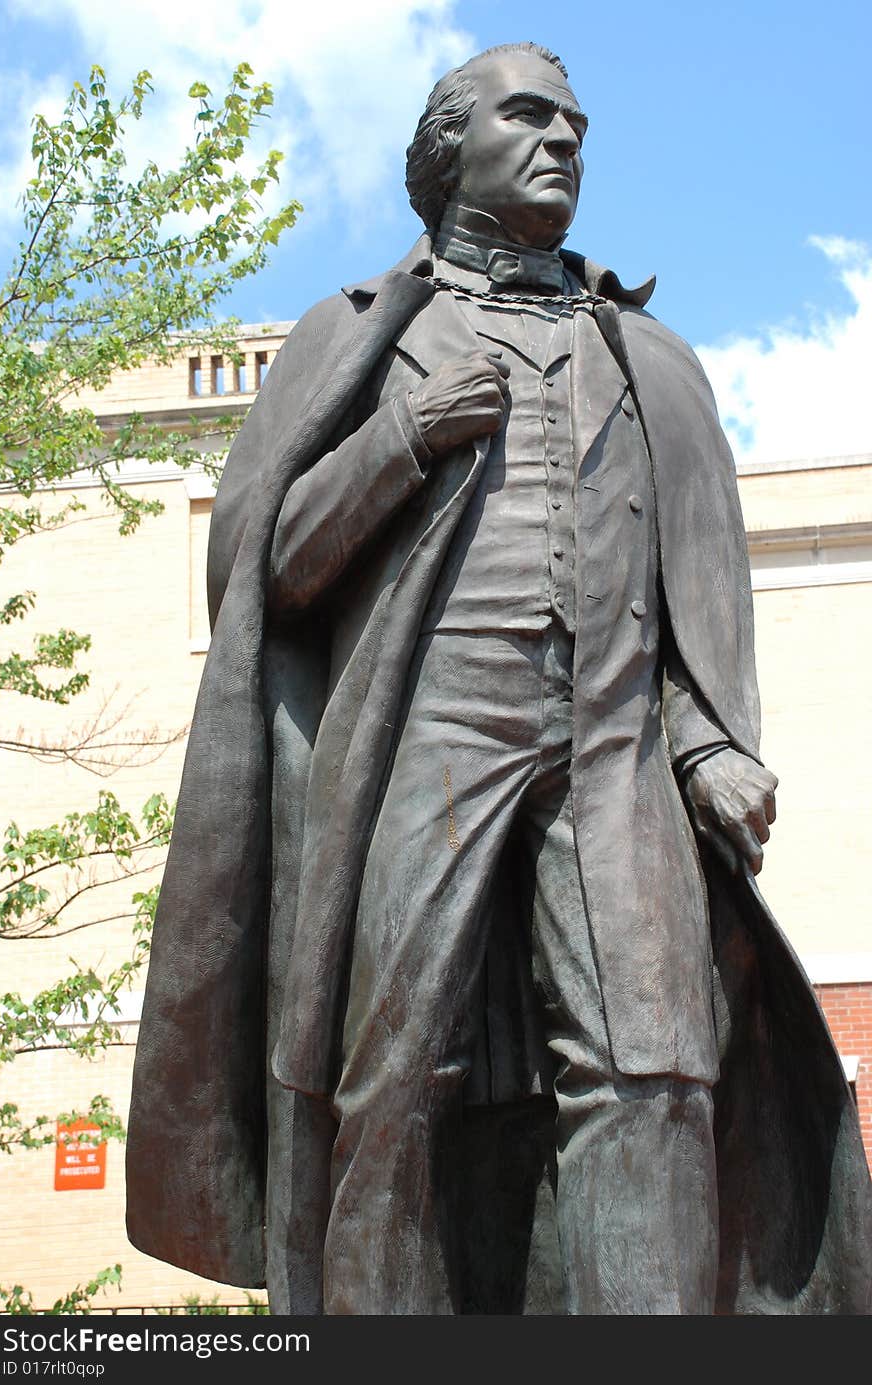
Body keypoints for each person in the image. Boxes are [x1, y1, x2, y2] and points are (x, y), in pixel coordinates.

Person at [126, 43, 872, 1315]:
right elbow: (271, 574)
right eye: (529, 116)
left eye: (576, 123)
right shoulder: (361, 338)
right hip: (432, 723)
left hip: (615, 740)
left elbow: (679, 585)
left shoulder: (644, 354)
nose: (564, 140)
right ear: (447, 148)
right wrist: (404, 439)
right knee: (392, 1061)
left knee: (657, 1067)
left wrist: (704, 742)